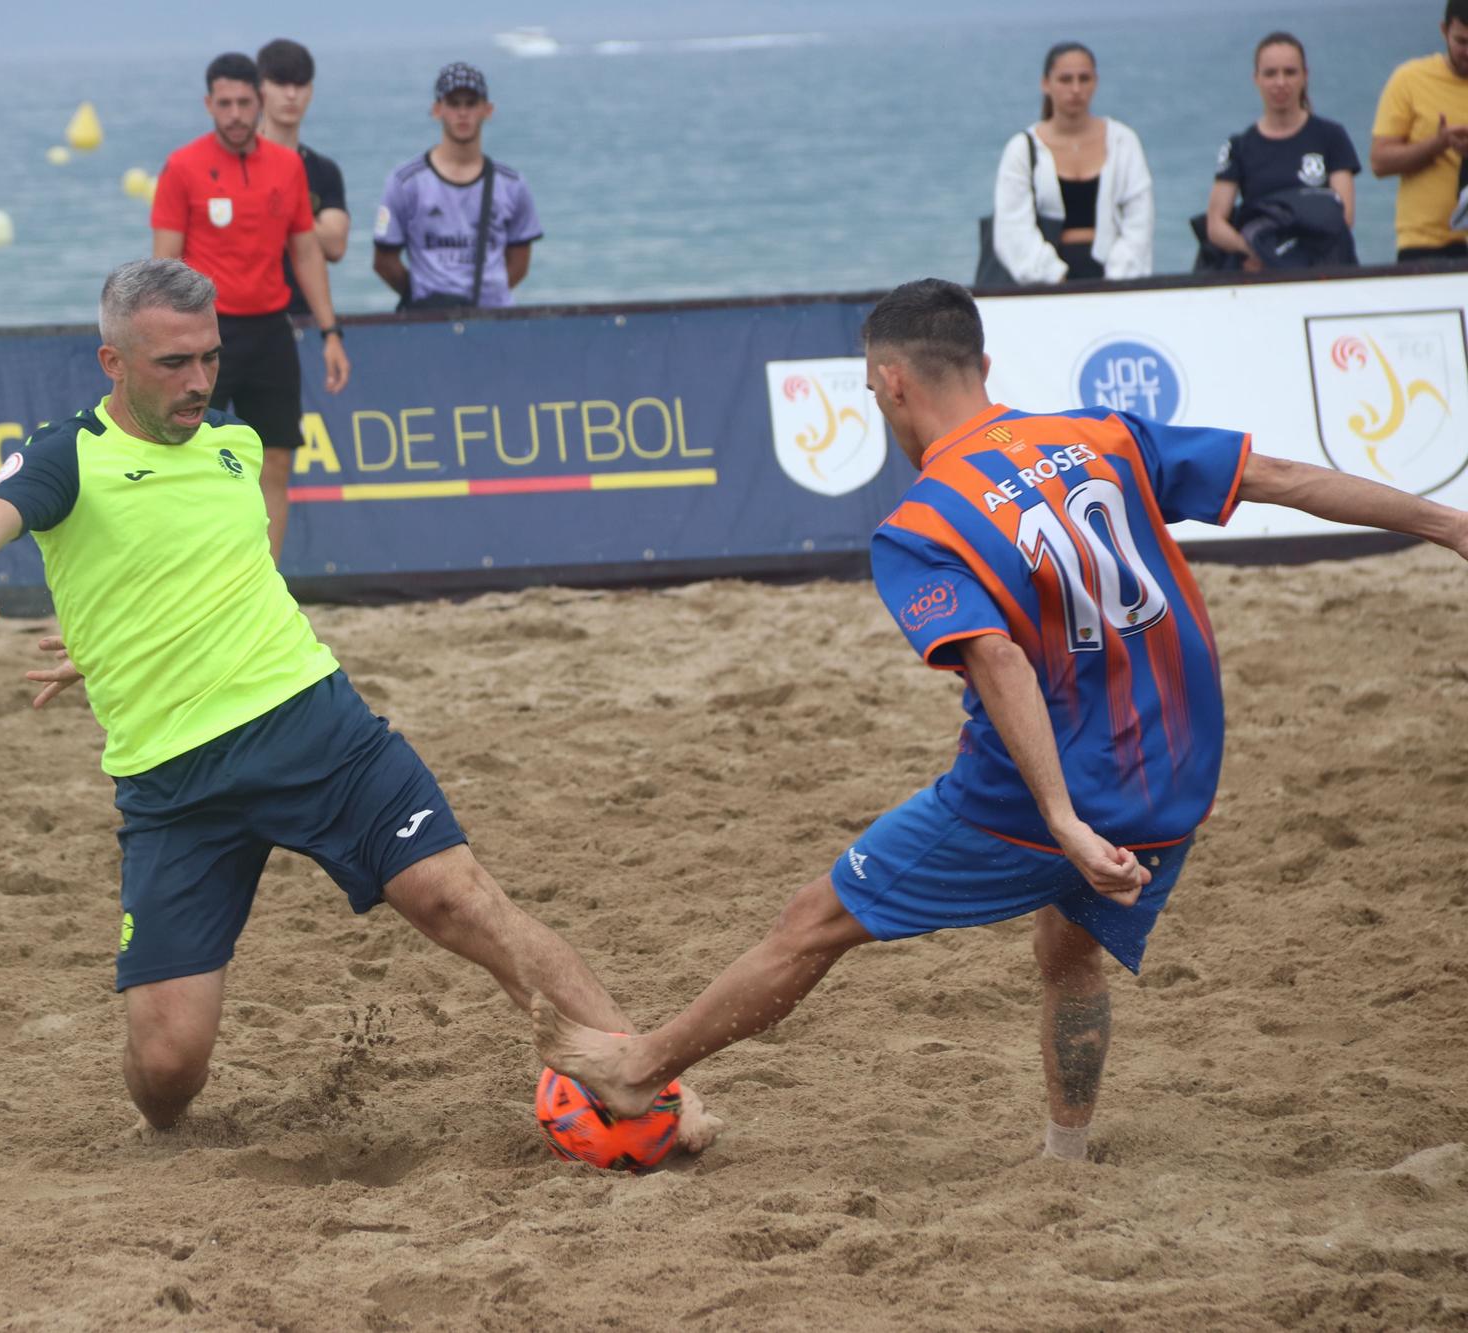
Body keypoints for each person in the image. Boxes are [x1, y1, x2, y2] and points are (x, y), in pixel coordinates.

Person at [532, 278, 1468, 1164]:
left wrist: (1061, 819)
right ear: (982, 364)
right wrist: (1450, 526)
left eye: (871, 389)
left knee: (810, 922)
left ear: (894, 382)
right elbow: (1283, 477)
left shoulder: (923, 522)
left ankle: (639, 1066)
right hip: (1177, 783)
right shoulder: (1103, 434)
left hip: (1038, 797)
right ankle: (1065, 1159)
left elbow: (998, 659)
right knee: (1068, 950)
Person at [0, 258, 718, 1150]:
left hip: (312, 724)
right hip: (177, 783)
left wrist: (113, 641)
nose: (200, 381)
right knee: (170, 1072)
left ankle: (654, 1082)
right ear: (113, 363)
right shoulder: (70, 455)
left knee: (462, 900)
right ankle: (154, 1113)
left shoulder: (233, 445)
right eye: (174, 363)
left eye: (209, 358)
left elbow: (217, 570)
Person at [151, 51, 349, 560]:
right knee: (187, 460)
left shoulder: (286, 167)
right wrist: (156, 343)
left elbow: (306, 252)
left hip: (271, 331)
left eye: (244, 102)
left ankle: (266, 587)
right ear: (208, 104)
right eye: (225, 103)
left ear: (259, 101)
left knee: (275, 461)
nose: (236, 114)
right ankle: (192, 576)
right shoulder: (182, 167)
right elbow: (163, 266)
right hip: (202, 337)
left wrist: (330, 333)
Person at [373, 63, 543, 309]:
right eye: (454, 104)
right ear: (437, 109)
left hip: (495, 320)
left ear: (488, 110)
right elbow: (384, 262)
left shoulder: (511, 185)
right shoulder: (405, 183)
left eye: (471, 103)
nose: (463, 113)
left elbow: (519, 262)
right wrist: (425, 298)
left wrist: (486, 299)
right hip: (430, 322)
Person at [992, 42, 1154, 284]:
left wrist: (1117, 281)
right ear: (1046, 83)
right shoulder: (1022, 148)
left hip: (1115, 278)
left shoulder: (1123, 141)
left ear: (1096, 82)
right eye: (1065, 79)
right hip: (1044, 284)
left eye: (1084, 78)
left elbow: (1139, 219)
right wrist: (1057, 279)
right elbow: (1013, 229)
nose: (1076, 89)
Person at [1205, 32, 1361, 271]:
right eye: (1270, 73)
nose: (1280, 82)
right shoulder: (1239, 146)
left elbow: (1345, 216)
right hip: (1261, 271)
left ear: (1305, 76)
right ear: (1256, 78)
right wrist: (1254, 250)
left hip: (1323, 271)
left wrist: (1295, 256)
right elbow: (1215, 224)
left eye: (1290, 72)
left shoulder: (1331, 136)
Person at [257, 39, 350, 326]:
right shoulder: (237, 164)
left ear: (310, 91)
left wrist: (279, 211)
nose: (291, 94)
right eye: (281, 83)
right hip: (244, 317)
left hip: (305, 316)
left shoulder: (323, 170)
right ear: (260, 88)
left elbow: (335, 245)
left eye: (300, 85)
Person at [1371, 0, 1468, 262]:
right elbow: (1380, 162)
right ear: (1443, 30)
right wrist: (1436, 145)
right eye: (1462, 42)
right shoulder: (1410, 79)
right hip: (1424, 244)